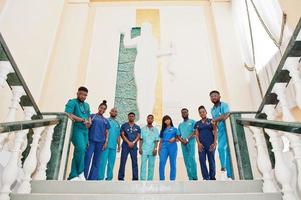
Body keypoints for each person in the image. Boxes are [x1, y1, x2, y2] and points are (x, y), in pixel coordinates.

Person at [65, 86, 91, 181]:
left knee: (81, 152)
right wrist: (82, 119)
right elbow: (68, 113)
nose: (83, 96)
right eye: (81, 94)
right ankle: (80, 172)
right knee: (80, 148)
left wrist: (89, 122)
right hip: (76, 129)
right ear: (77, 93)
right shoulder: (72, 102)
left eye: (85, 95)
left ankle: (73, 175)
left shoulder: (87, 105)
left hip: (85, 131)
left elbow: (88, 117)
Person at [84, 100, 110, 180]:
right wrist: (86, 139)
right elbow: (87, 128)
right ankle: (83, 177)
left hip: (100, 143)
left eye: (104, 109)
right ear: (99, 107)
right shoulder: (92, 116)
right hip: (91, 141)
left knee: (96, 161)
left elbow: (107, 132)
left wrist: (106, 142)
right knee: (87, 158)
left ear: (105, 110)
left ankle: (92, 179)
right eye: (101, 108)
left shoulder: (106, 120)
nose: (102, 109)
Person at [210, 90, 232, 180]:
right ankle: (229, 175)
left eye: (215, 95)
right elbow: (214, 125)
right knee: (225, 152)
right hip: (220, 132)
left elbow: (226, 115)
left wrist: (215, 119)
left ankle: (223, 169)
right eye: (212, 96)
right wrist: (214, 140)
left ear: (219, 96)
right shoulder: (212, 109)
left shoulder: (224, 105)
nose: (214, 97)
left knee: (221, 148)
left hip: (227, 130)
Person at [195, 106, 217, 180]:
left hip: (210, 144)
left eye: (203, 111)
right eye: (200, 112)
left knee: (211, 160)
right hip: (201, 145)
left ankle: (212, 177)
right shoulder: (197, 123)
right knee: (202, 161)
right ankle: (205, 177)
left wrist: (214, 143)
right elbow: (196, 134)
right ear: (199, 114)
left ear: (206, 112)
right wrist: (198, 143)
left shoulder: (211, 121)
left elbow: (215, 131)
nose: (202, 113)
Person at [98, 108, 121, 180]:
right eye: (113, 111)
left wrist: (119, 145)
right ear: (110, 112)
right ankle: (100, 177)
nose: (114, 112)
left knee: (111, 163)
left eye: (115, 111)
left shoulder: (117, 123)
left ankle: (109, 178)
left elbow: (118, 135)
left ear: (117, 114)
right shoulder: (106, 120)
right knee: (103, 162)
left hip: (113, 146)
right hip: (105, 145)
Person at [118, 112, 141, 181]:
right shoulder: (124, 125)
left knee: (134, 162)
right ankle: (121, 177)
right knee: (123, 161)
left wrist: (133, 142)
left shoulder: (137, 127)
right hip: (125, 146)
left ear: (134, 117)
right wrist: (128, 142)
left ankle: (135, 178)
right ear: (128, 117)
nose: (131, 117)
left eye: (132, 116)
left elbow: (138, 136)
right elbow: (122, 135)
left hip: (134, 146)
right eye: (130, 116)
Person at [177, 108, 198, 180]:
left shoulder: (192, 122)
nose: (184, 114)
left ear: (188, 113)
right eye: (182, 113)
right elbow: (178, 135)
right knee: (186, 160)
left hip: (191, 142)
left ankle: (195, 177)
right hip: (183, 144)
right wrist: (182, 140)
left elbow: (194, 132)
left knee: (192, 158)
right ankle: (190, 178)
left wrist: (187, 139)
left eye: (185, 112)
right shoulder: (180, 125)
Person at [139, 114, 160, 181]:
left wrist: (155, 149)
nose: (150, 119)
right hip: (144, 149)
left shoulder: (156, 130)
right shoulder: (142, 129)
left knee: (151, 166)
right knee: (143, 165)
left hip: (152, 150)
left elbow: (156, 140)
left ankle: (150, 180)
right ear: (147, 119)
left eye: (151, 118)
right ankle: (142, 180)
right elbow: (141, 139)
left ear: (153, 120)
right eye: (148, 118)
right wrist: (140, 148)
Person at [159, 115, 178, 181]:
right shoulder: (163, 130)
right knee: (161, 162)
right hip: (164, 146)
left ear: (170, 120)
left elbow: (178, 138)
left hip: (172, 146)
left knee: (173, 163)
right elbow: (161, 141)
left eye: (168, 119)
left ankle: (172, 180)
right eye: (165, 120)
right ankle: (162, 179)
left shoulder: (175, 129)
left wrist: (174, 138)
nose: (167, 121)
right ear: (164, 122)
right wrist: (159, 149)